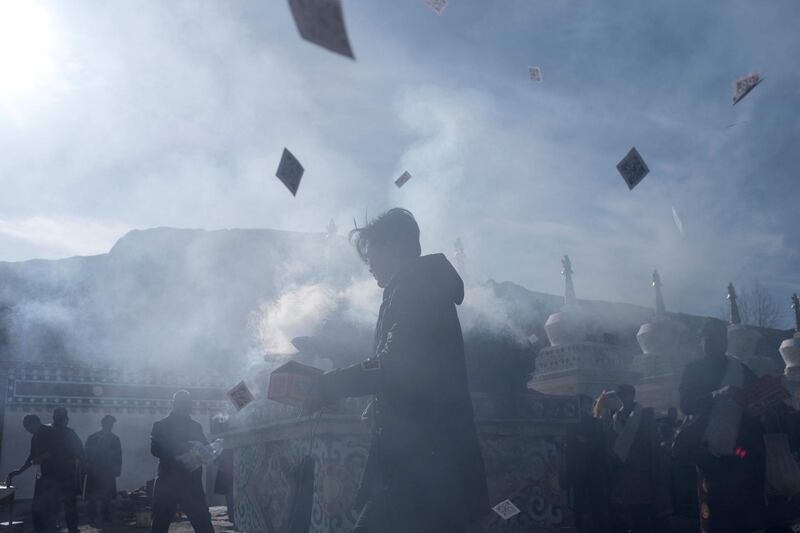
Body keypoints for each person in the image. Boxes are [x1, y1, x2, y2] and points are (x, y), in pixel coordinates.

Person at [306, 208, 489, 533]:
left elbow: (391, 362)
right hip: (430, 460)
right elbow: (413, 367)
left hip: (418, 463)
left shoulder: (414, 290)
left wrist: (328, 385)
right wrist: (378, 400)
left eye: (371, 255)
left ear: (392, 247)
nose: (370, 265)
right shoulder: (419, 287)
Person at [678, 320, 763, 533]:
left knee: (744, 517)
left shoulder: (741, 369)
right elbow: (686, 405)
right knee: (714, 515)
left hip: (741, 452)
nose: (714, 343)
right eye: (708, 338)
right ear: (702, 341)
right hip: (710, 452)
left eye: (719, 338)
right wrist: (718, 394)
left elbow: (757, 401)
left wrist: (762, 404)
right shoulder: (693, 369)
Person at [596, 385, 671, 533]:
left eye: (626, 395)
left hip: (642, 469)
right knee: (625, 512)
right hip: (623, 470)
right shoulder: (616, 417)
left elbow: (654, 443)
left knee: (642, 513)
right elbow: (611, 442)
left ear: (632, 395)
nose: (624, 398)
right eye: (621, 396)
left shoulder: (645, 415)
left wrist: (655, 468)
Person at [149, 390, 214, 533]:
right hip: (168, 481)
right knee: (160, 523)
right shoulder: (161, 425)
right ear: (175, 405)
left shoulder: (195, 426)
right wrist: (180, 449)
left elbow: (204, 448)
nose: (187, 408)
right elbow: (155, 449)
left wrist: (208, 451)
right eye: (183, 404)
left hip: (191, 483)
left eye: (188, 404)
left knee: (203, 523)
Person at [4, 414, 54, 533]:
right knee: (38, 502)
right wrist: (20, 470)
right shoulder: (35, 437)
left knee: (49, 502)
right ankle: (39, 528)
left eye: (28, 427)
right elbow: (32, 456)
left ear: (34, 423)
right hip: (42, 473)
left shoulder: (50, 432)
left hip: (54, 473)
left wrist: (44, 457)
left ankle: (48, 527)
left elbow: (57, 449)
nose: (28, 430)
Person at [44, 407, 83, 533]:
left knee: (64, 504)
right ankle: (68, 528)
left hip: (60, 475)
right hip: (58, 475)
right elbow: (80, 452)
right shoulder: (49, 431)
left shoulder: (67, 433)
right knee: (60, 504)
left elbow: (80, 451)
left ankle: (68, 527)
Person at [84, 414, 122, 523]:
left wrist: (116, 469)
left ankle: (105, 515)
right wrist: (87, 467)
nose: (110, 426)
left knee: (107, 496)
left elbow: (118, 456)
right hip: (94, 471)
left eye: (111, 424)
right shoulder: (93, 438)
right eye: (108, 424)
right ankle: (92, 515)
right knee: (92, 496)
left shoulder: (115, 439)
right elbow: (86, 454)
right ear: (103, 424)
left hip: (108, 471)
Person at [213, 448, 235, 529]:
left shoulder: (226, 448)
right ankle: (232, 519)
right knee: (230, 497)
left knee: (230, 497)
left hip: (230, 474)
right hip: (227, 474)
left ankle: (233, 519)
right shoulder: (224, 448)